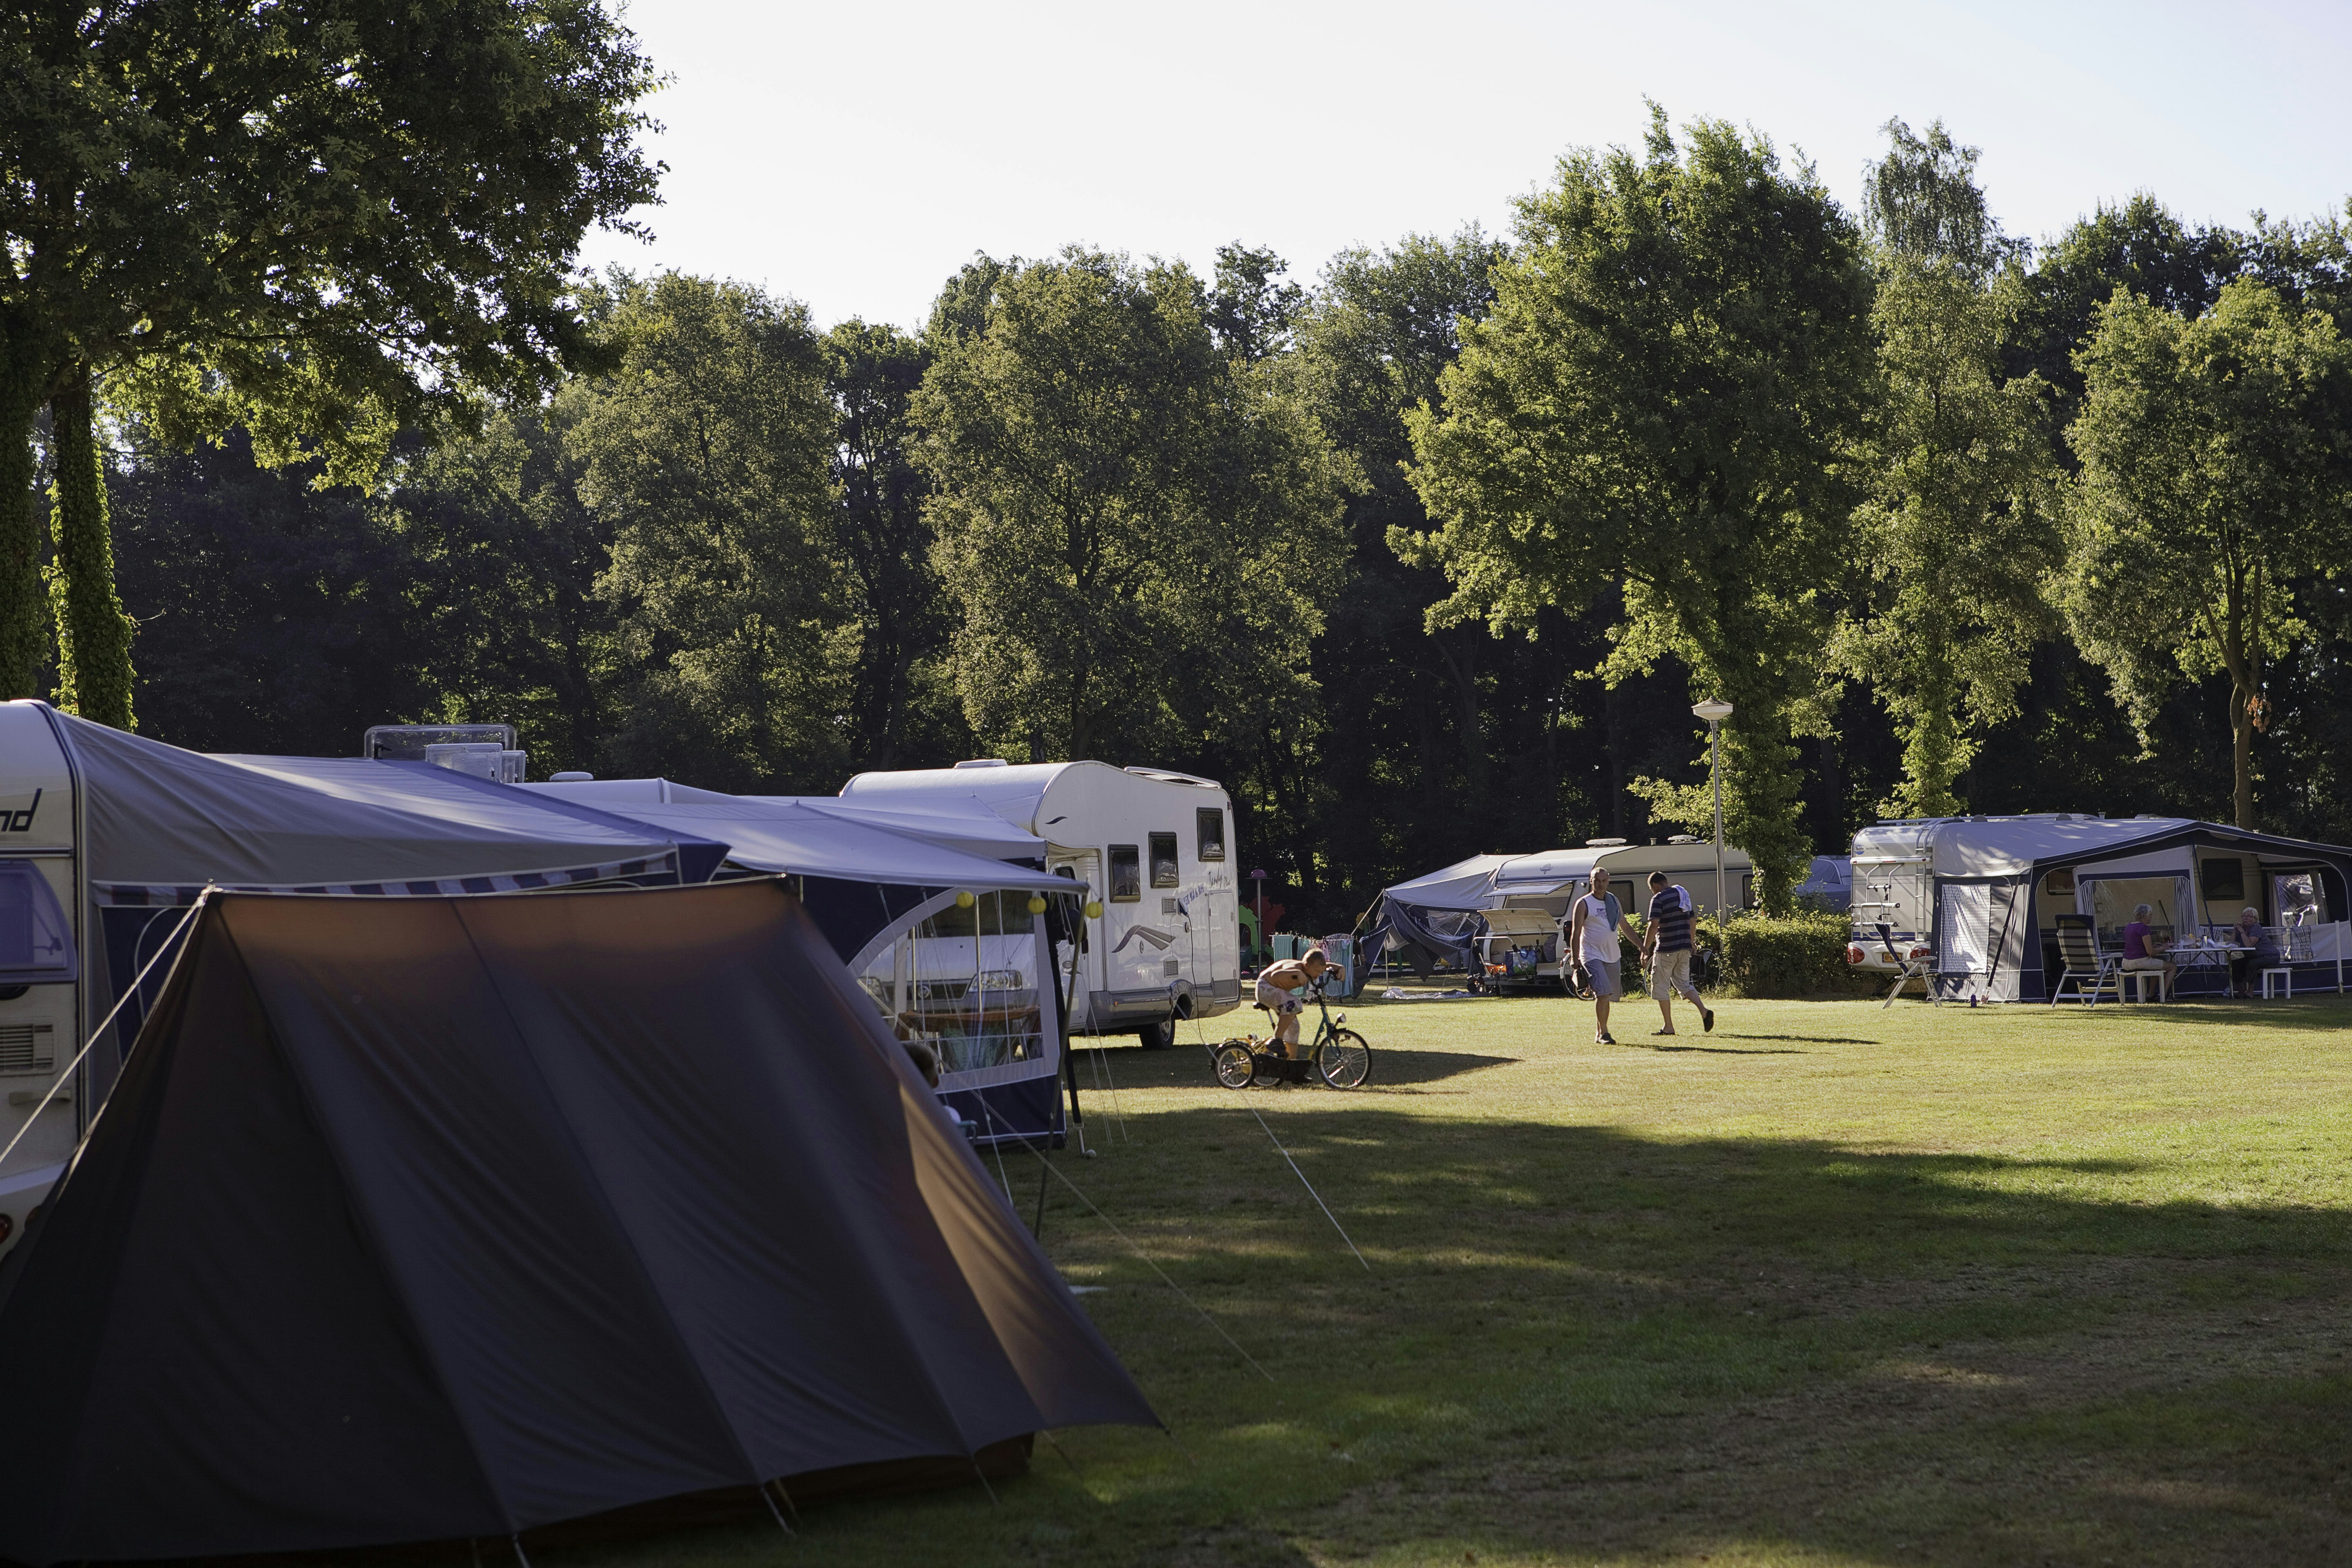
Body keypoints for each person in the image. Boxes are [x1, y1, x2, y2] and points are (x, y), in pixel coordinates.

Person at [1567, 869, 1639, 1045]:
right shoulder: (1584, 903)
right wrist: (1574, 958)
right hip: (1591, 955)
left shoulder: (1613, 901)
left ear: (1609, 881)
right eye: (1596, 880)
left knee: (1607, 996)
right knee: (1604, 993)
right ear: (1591, 881)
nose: (1600, 884)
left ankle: (1599, 1033)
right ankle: (1605, 1034)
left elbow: (1624, 925)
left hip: (1612, 955)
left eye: (1604, 880)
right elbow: (1576, 933)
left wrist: (1642, 946)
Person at [1640, 871, 1714, 1037]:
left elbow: (1653, 925)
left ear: (1655, 886)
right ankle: (1704, 1011)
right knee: (1684, 984)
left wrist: (1645, 950)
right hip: (1684, 947)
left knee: (1660, 986)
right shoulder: (1682, 894)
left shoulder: (1658, 899)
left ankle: (1668, 1027)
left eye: (1652, 889)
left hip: (1666, 949)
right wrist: (1692, 942)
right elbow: (1692, 920)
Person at [1255, 947, 1332, 1058]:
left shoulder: (1310, 968)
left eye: (1320, 972)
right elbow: (1275, 976)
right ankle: (1276, 1041)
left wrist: (1339, 967)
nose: (1318, 975)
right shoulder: (1295, 968)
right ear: (1306, 965)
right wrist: (1296, 973)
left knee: (1294, 1028)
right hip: (1265, 987)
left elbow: (1324, 966)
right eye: (1316, 971)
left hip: (1276, 991)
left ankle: (1290, 1065)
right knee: (1295, 1004)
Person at [2120, 902, 2174, 999]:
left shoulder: (2129, 926)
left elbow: (2136, 945)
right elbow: (2150, 952)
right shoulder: (2144, 928)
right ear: (2144, 915)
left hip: (2125, 963)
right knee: (2172, 967)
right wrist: (2163, 948)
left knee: (2157, 966)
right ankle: (2164, 995)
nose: (2152, 917)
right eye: (2150, 915)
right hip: (2139, 962)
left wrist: (2153, 946)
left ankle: (2152, 994)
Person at [2228, 906, 2274, 997]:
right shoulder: (2243, 929)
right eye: (2244, 916)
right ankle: (2241, 991)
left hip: (2269, 956)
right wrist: (2235, 931)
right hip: (2253, 956)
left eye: (2249, 916)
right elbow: (2232, 944)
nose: (2246, 918)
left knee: (2252, 964)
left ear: (2255, 919)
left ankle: (2251, 992)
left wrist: (2241, 931)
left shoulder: (2256, 928)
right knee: (2235, 964)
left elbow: (2249, 945)